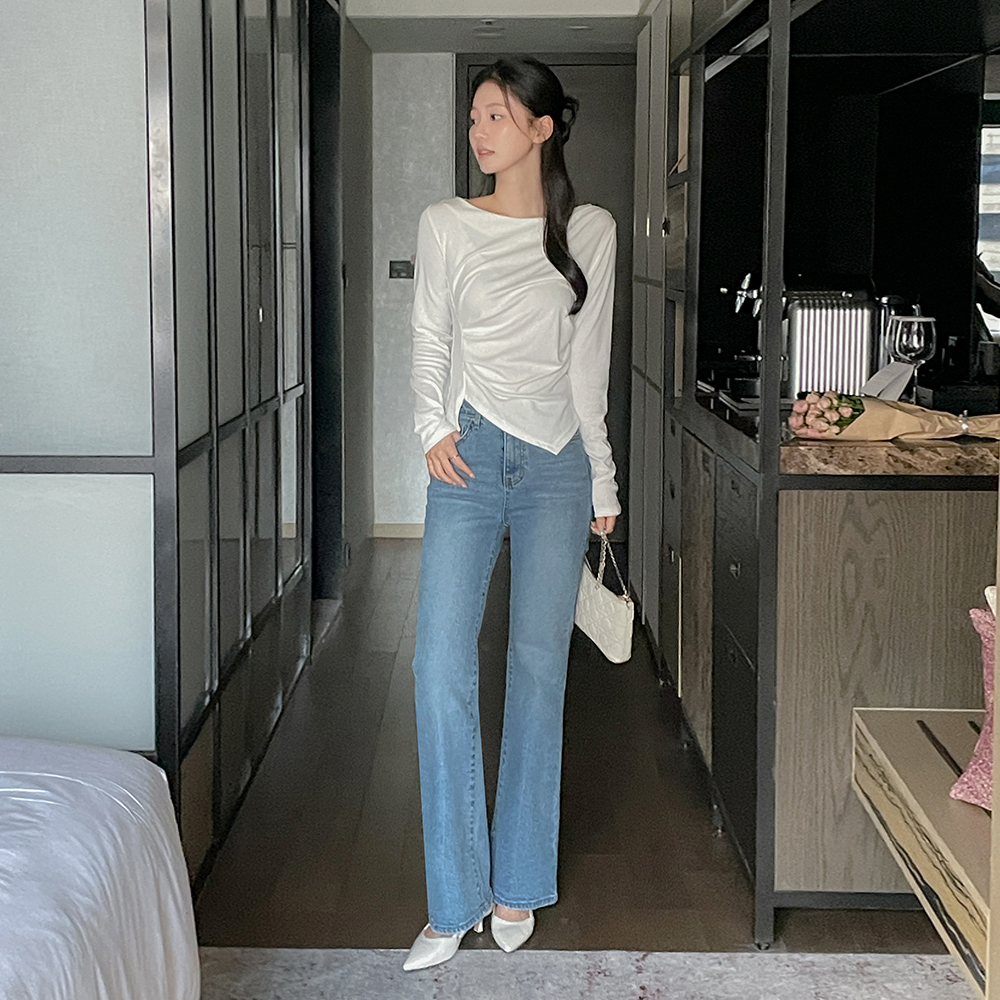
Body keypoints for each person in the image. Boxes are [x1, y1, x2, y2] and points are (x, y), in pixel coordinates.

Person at [404, 55, 620, 972]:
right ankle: (452, 897)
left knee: (538, 669)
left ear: (542, 127)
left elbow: (587, 368)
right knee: (437, 664)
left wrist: (603, 486)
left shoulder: (590, 230)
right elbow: (428, 333)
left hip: (558, 465)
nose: (478, 130)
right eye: (473, 117)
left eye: (496, 115)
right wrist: (428, 427)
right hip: (468, 451)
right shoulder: (447, 223)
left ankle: (516, 884)